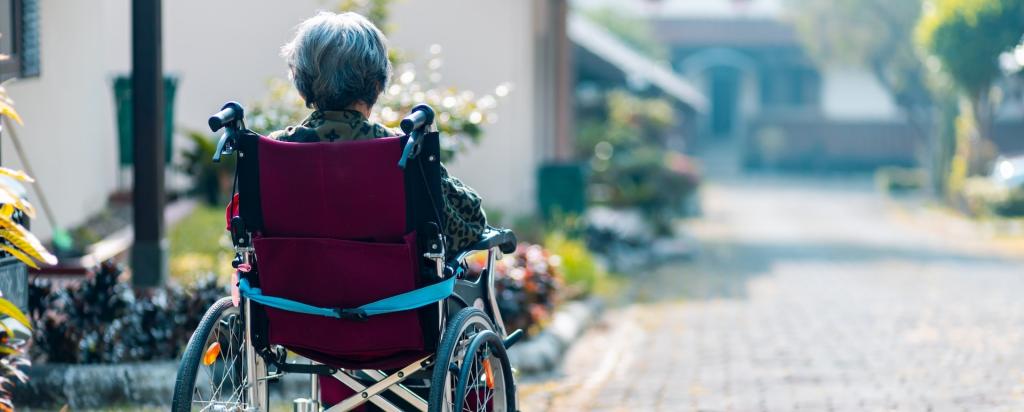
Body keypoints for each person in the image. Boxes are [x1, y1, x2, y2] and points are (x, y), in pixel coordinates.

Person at [270, 11, 486, 256]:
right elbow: (470, 224)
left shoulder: (273, 151)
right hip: (392, 292)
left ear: (302, 86)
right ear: (377, 84)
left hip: (294, 290)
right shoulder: (404, 150)